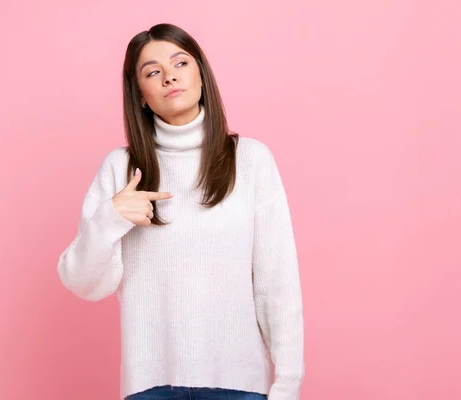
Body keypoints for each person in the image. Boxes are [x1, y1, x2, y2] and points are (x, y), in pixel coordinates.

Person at [57, 23, 305, 400]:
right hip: (150, 387)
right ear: (140, 94)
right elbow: (84, 283)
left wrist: (287, 383)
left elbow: (276, 280)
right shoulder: (120, 169)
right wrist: (110, 218)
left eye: (180, 62)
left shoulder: (251, 161)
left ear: (202, 76)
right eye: (152, 71)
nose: (169, 76)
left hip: (238, 386)